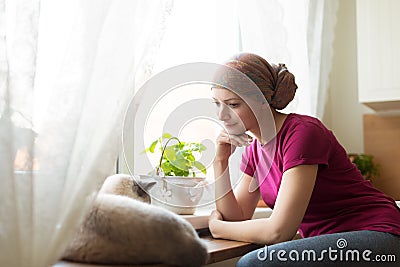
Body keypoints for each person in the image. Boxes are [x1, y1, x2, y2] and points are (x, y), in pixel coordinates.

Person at [208, 53, 400, 266]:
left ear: (262, 101)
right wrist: (220, 162)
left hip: (378, 235)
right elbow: (237, 218)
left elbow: (278, 232)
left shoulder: (302, 132)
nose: (221, 115)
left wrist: (218, 228)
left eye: (232, 104)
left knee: (255, 263)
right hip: (332, 240)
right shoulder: (255, 150)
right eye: (217, 103)